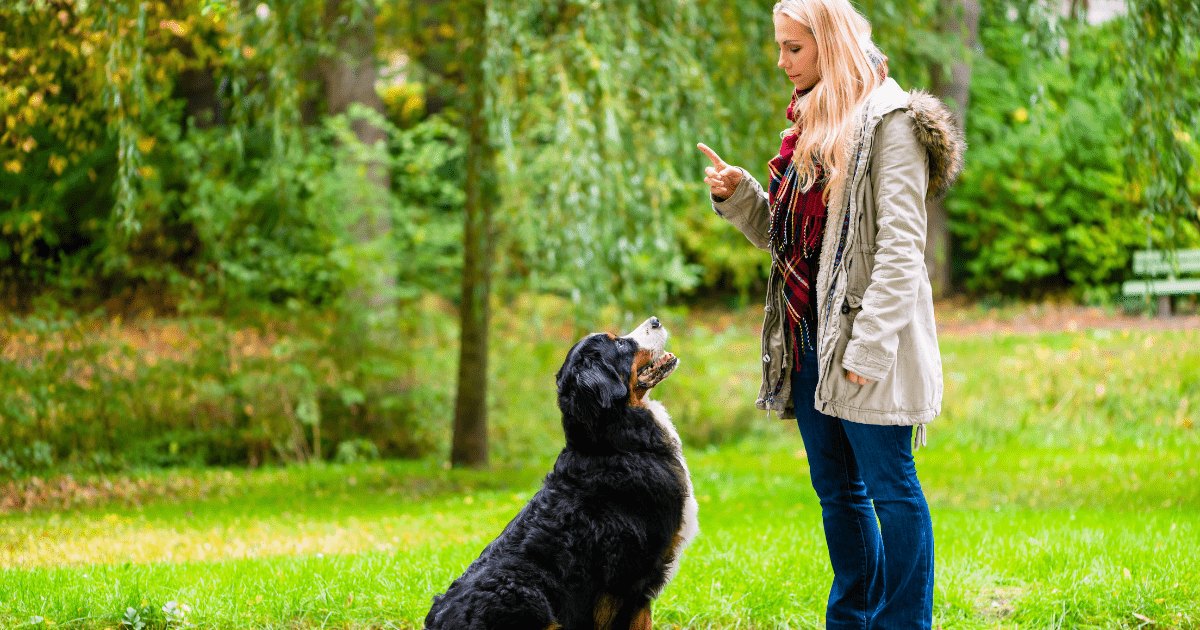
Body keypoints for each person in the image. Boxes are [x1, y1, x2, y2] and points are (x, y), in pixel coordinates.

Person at [697, 0, 964, 628]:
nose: (782, 61)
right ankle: (851, 619)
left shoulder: (889, 123)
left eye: (794, 48)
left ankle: (902, 622)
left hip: (866, 342)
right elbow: (794, 244)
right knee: (839, 494)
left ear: (831, 42)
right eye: (780, 46)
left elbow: (902, 252)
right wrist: (740, 197)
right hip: (808, 337)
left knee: (892, 490)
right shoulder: (811, 123)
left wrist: (866, 349)